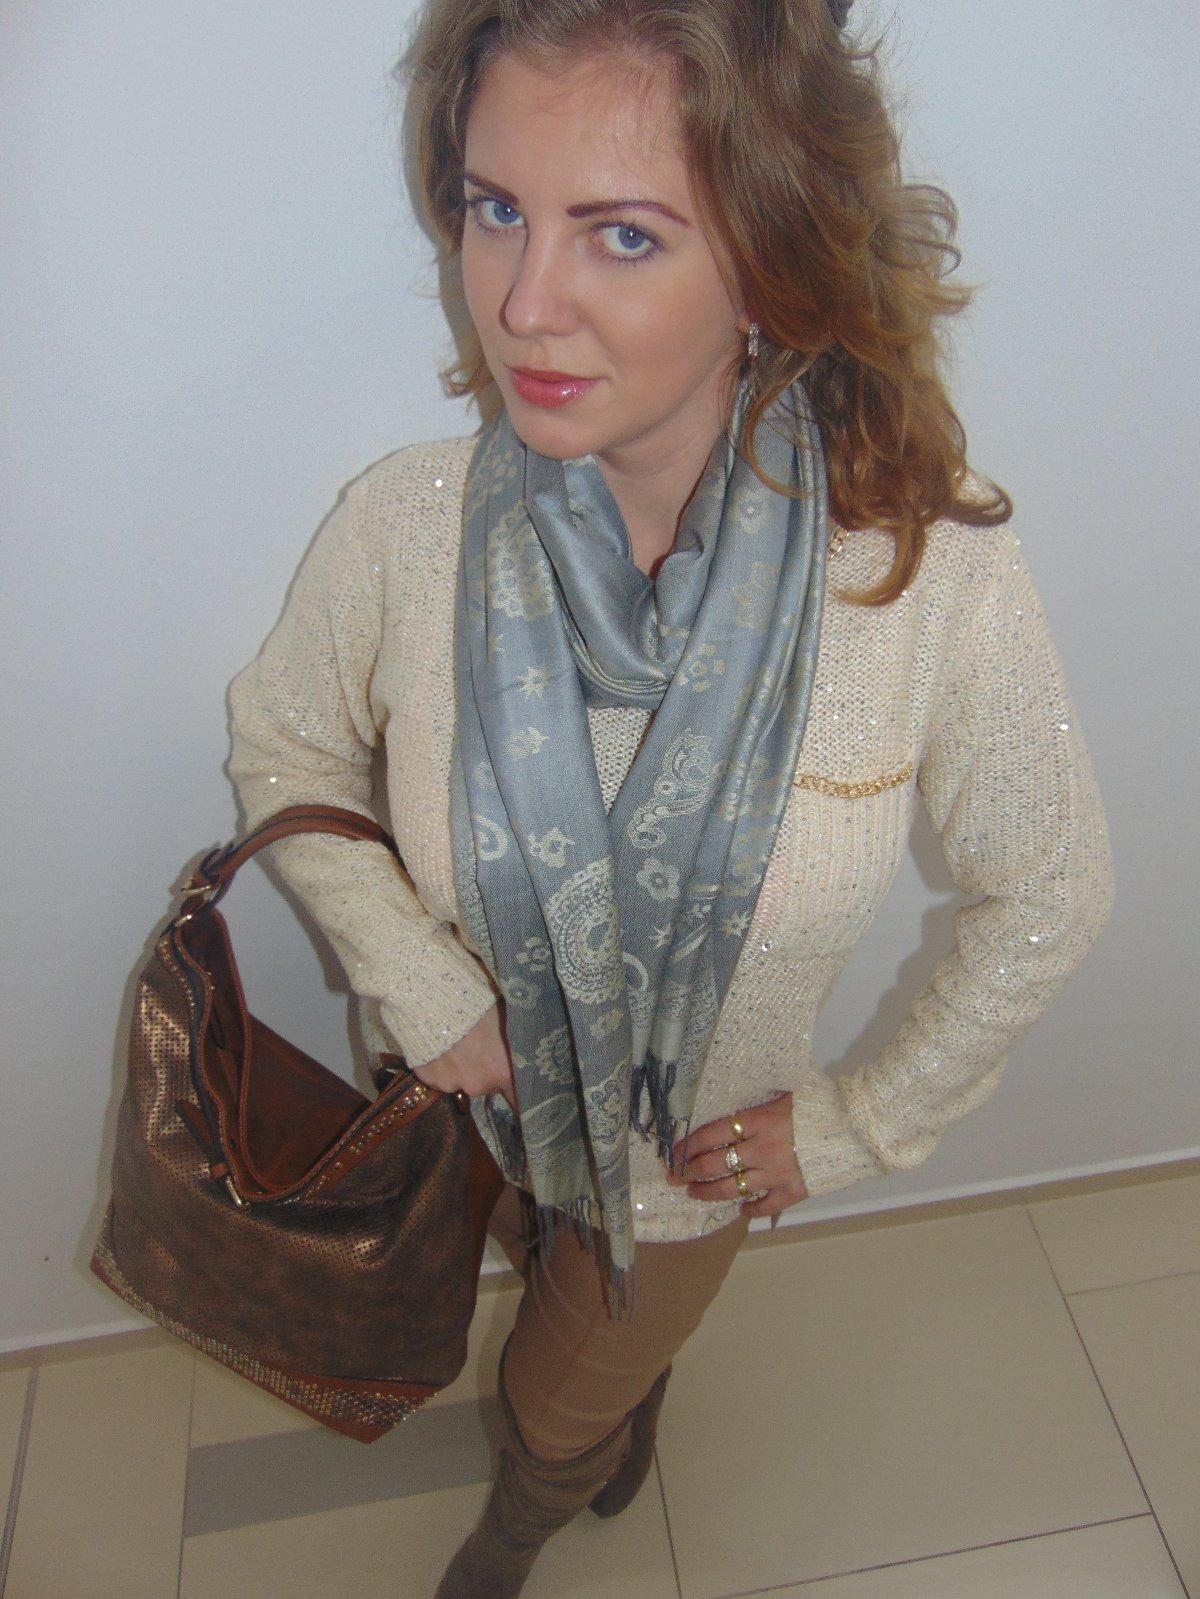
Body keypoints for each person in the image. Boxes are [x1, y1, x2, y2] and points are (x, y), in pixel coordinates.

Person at [225, 1, 1115, 1593]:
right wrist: (423, 981)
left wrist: (856, 1123)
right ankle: (617, 1412)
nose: (522, 301)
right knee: (556, 1301)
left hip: (691, 1170)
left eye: (621, 235)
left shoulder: (924, 574)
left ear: (770, 264)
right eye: (495, 208)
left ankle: (525, 1513)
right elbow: (284, 745)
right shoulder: (408, 529)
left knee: (547, 1399)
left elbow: (1050, 888)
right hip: (472, 1114)